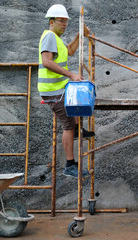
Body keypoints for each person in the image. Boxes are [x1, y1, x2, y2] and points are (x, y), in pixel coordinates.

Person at [38, 4, 95, 178]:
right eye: (61, 21)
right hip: (53, 90)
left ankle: (77, 129)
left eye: (66, 22)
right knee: (67, 125)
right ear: (51, 21)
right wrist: (71, 74)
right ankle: (70, 165)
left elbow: (70, 51)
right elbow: (47, 62)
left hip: (58, 89)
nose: (64, 24)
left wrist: (80, 35)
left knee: (77, 98)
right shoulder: (49, 37)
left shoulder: (56, 38)